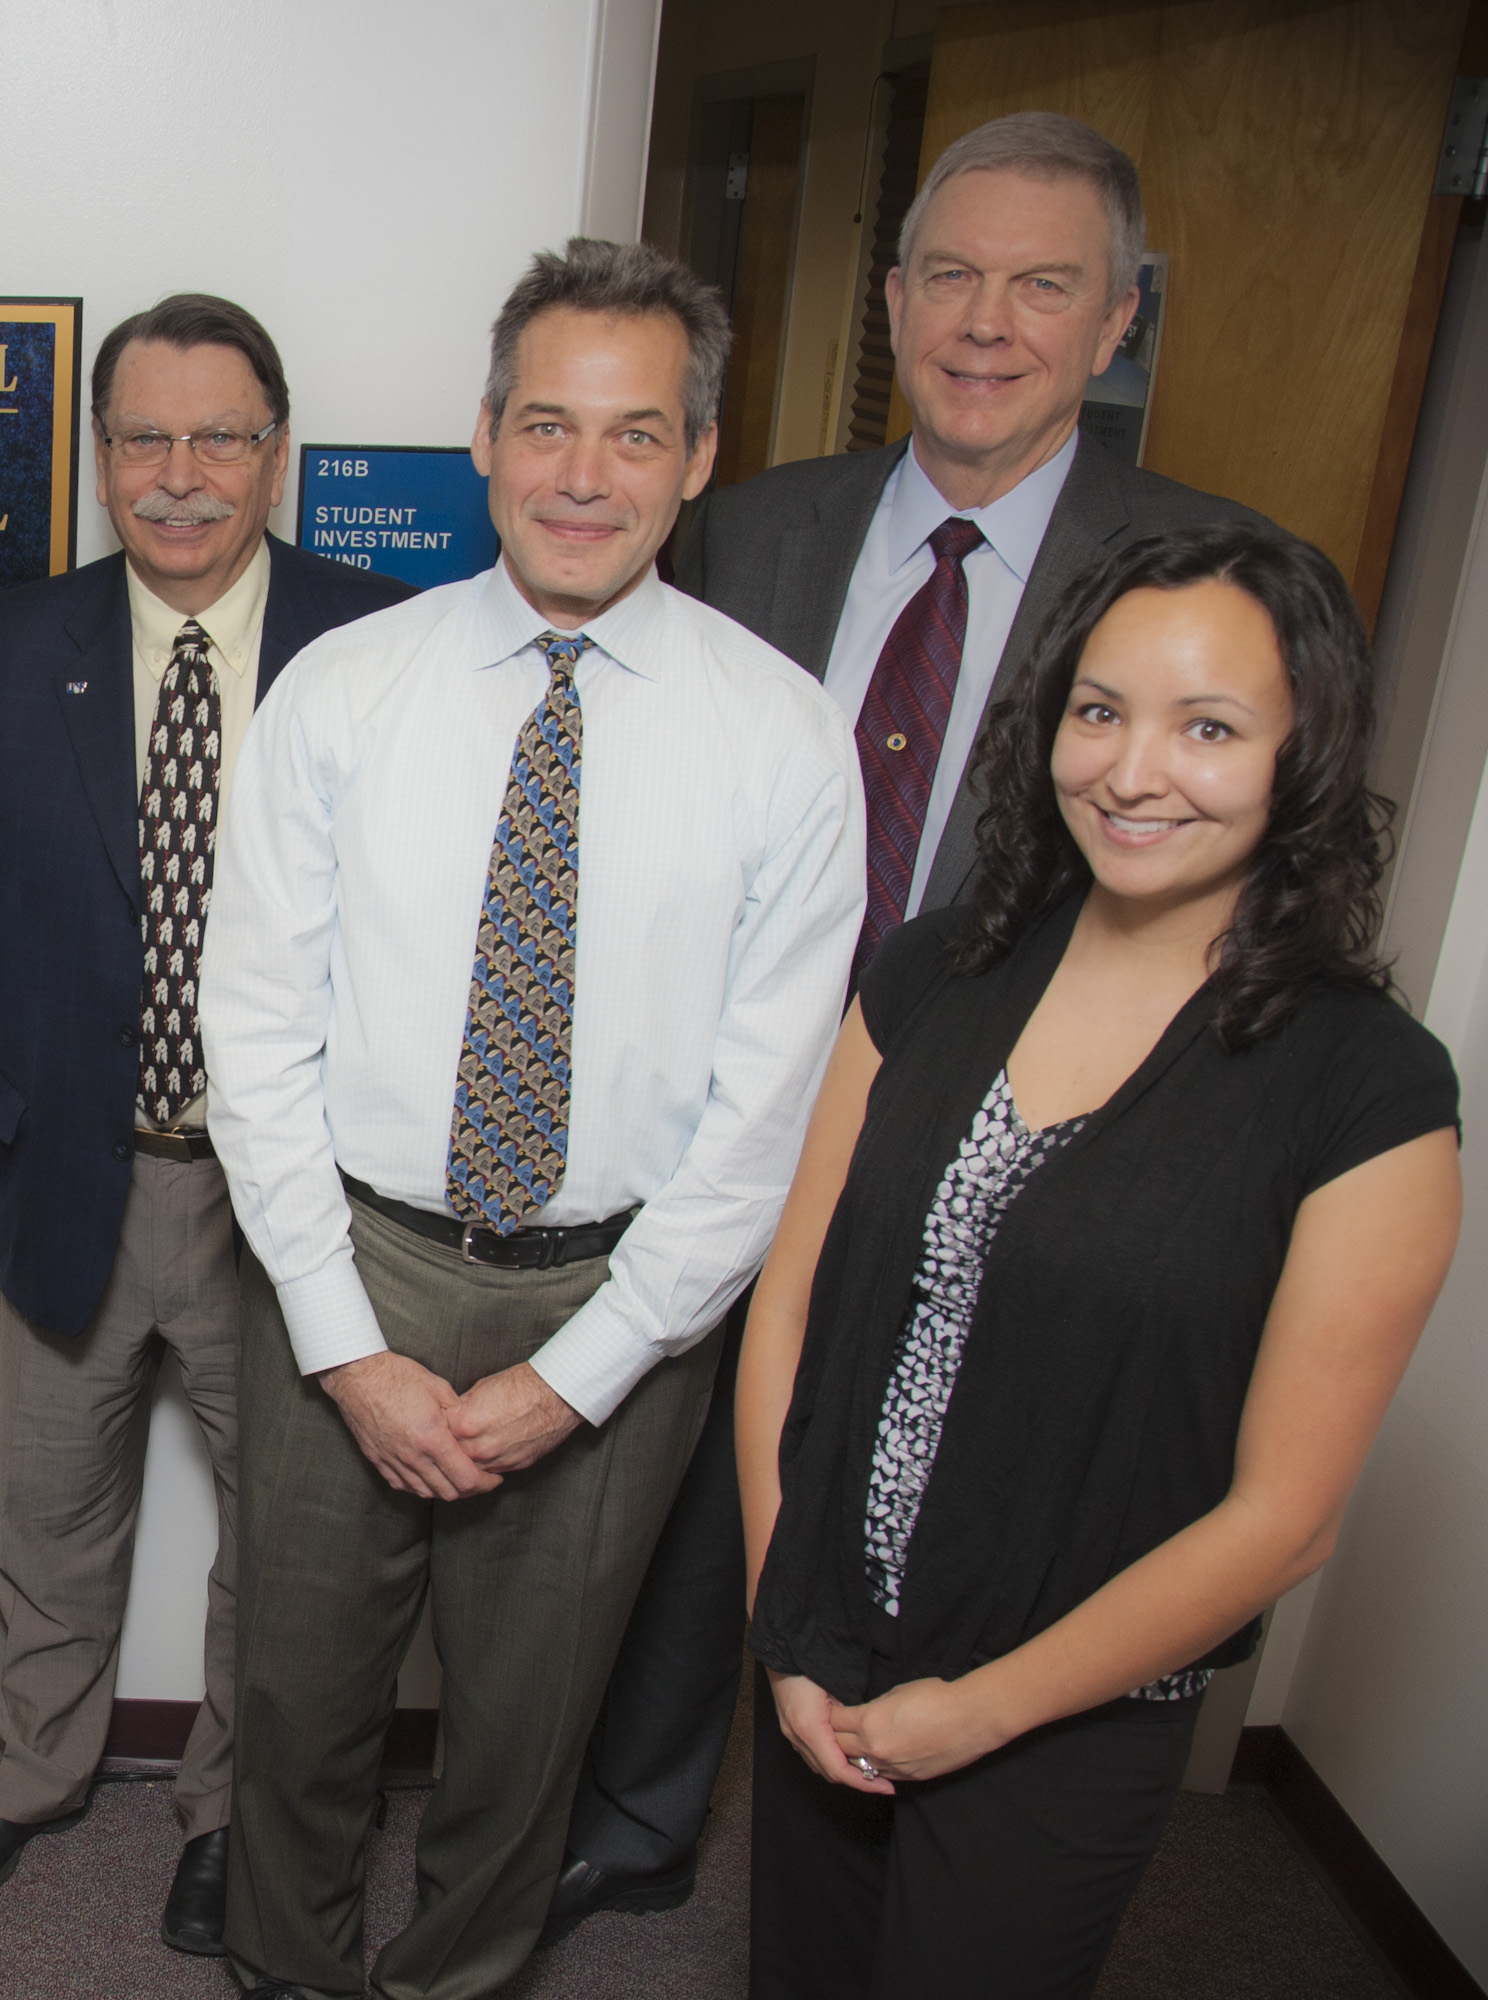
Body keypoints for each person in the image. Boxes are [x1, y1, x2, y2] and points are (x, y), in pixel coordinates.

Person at [554, 111, 1274, 1941]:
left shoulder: (1209, 571)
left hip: (1013, 1126)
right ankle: (636, 1830)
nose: (986, 322)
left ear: (1117, 325)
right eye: (949, 275)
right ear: (891, 300)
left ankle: (911, 1810)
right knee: (693, 1483)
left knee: (937, 1474)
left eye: (1045, 287)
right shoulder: (749, 525)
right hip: (729, 1097)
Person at [202, 238, 864, 2000]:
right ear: (482, 435)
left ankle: (456, 1982)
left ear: (700, 457)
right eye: (549, 426)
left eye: (635, 434)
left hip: (619, 1306)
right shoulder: (343, 692)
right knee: (300, 1700)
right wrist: (346, 1348)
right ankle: (286, 1969)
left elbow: (762, 1116)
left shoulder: (784, 740)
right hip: (351, 1266)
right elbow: (252, 1031)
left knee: (525, 1732)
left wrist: (582, 1373)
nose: (585, 475)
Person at [740, 520, 1459, 1998]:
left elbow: (1283, 1522)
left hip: (1059, 1717)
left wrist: (980, 1715)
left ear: (1301, 752)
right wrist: (781, 1618)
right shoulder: (932, 971)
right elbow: (791, 1300)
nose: (1134, 772)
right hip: (823, 1649)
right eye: (1100, 711)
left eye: (1208, 727)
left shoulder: (1366, 1087)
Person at [0, 293, 410, 1952]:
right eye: (143, 440)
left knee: (288, 1541)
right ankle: (23, 1776)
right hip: (68, 1173)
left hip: (303, 1199)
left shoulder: (387, 639)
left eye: (218, 439)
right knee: (46, 1514)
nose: (179, 477)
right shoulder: (10, 638)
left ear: (276, 453)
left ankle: (231, 1816)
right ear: (99, 454)